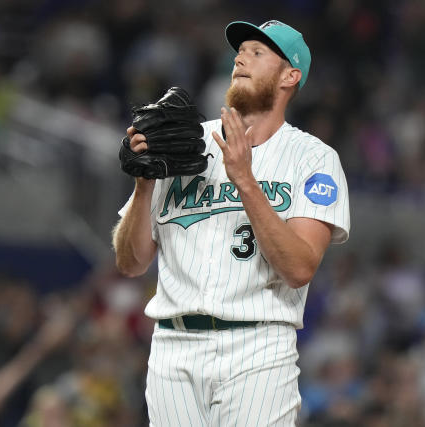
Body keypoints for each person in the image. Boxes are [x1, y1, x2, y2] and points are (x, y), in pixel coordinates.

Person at [112, 19, 350, 426]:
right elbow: (130, 263)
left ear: (290, 76)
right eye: (240, 51)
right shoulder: (185, 144)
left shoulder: (312, 158)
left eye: (258, 52)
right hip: (173, 346)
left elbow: (299, 267)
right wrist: (143, 187)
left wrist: (244, 178)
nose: (241, 58)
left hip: (257, 347)